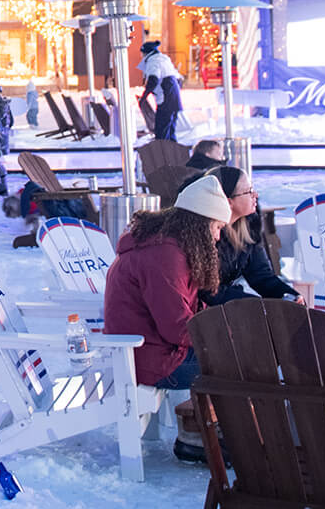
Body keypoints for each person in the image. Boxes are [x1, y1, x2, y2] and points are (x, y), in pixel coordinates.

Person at [103, 174, 231, 462]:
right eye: (217, 227)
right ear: (201, 223)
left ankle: (198, 435)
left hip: (146, 351)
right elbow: (177, 328)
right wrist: (226, 333)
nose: (218, 237)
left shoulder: (166, 246)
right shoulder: (165, 256)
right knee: (240, 359)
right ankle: (201, 439)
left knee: (239, 352)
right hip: (151, 359)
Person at [201, 166, 297, 305]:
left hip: (228, 305)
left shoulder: (248, 227)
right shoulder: (204, 234)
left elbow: (261, 276)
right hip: (202, 313)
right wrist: (257, 305)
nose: (256, 195)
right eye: (249, 191)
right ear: (228, 201)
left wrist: (290, 297)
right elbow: (208, 292)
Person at [138, 40, 184, 141]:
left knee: (161, 129)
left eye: (142, 53)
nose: (142, 56)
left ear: (146, 52)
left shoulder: (153, 61)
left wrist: (144, 97)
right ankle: (172, 152)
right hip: (174, 98)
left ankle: (163, 153)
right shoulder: (164, 59)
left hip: (166, 99)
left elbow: (153, 79)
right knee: (170, 129)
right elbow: (180, 79)